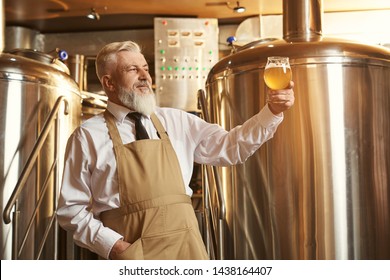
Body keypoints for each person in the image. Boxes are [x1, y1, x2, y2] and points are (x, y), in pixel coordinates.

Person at [57, 40, 295, 260]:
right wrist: (115, 246)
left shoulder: (177, 121)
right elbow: (71, 210)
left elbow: (231, 147)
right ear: (108, 82)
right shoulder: (87, 135)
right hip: (132, 256)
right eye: (132, 70)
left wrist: (271, 112)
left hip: (186, 249)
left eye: (145, 68)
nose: (144, 76)